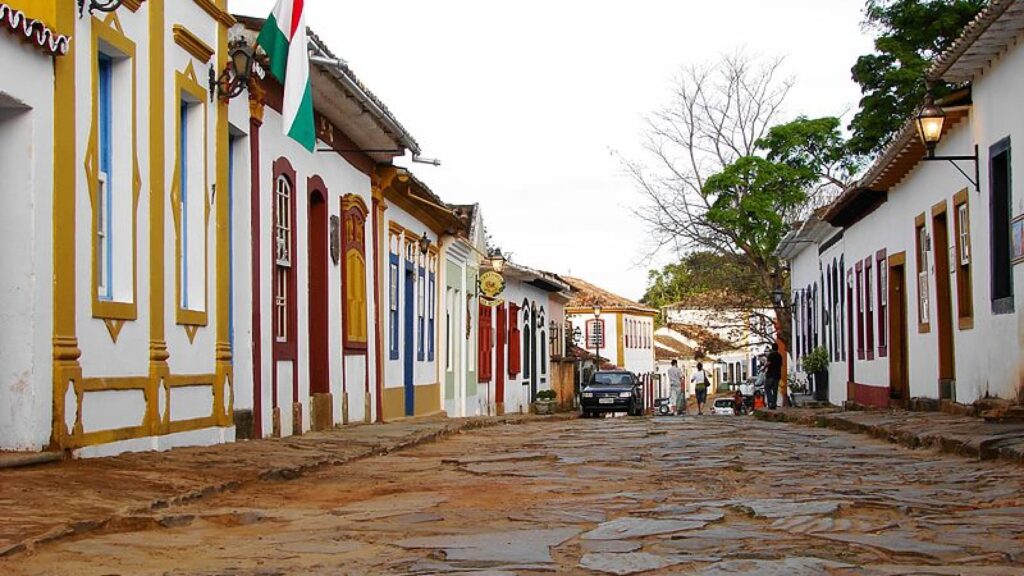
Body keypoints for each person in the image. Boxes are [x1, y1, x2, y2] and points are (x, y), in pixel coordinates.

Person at [764, 343, 783, 410]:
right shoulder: (780, 356)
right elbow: (780, 365)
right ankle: (773, 404)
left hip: (770, 374)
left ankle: (771, 402)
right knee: (775, 390)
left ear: (772, 348)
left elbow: (769, 363)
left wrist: (763, 368)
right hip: (777, 375)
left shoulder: (771, 355)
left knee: (767, 388)